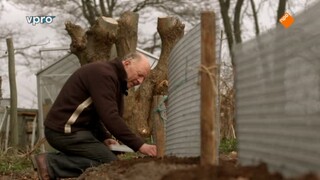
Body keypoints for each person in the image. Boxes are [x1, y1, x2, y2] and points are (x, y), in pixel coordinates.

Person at [32, 52, 157, 180]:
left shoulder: (112, 77)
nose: (140, 81)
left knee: (106, 159)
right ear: (127, 63)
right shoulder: (104, 74)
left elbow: (94, 115)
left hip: (73, 130)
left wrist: (104, 137)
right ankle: (50, 163)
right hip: (64, 131)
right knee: (110, 164)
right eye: (140, 74)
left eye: (143, 78)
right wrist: (140, 145)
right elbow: (110, 117)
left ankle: (54, 162)